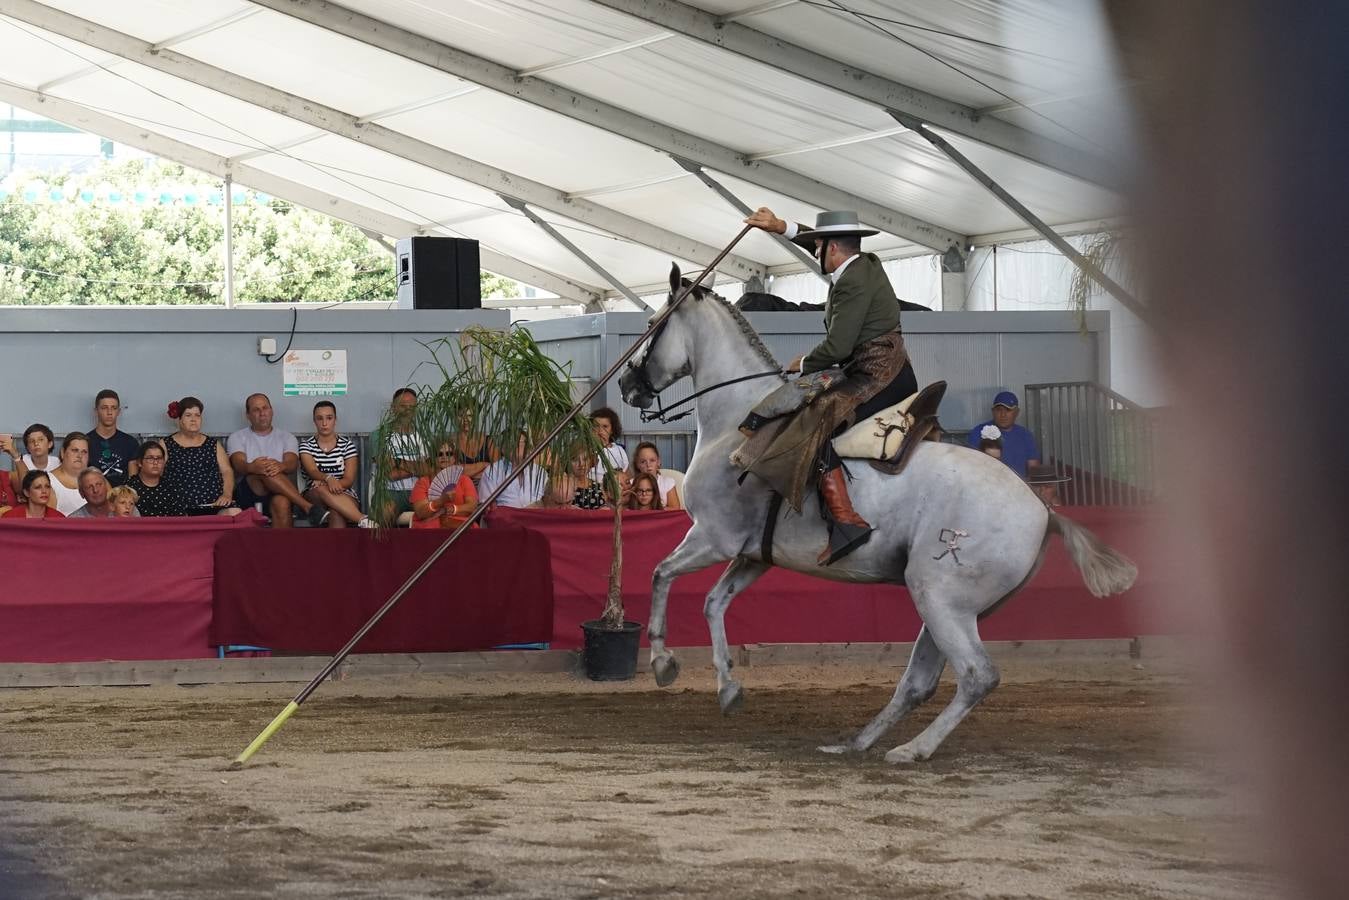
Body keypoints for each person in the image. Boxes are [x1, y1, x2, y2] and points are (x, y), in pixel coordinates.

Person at [742, 208, 919, 565]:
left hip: (877, 375)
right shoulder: (865, 262)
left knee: (814, 426)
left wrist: (804, 364)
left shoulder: (852, 282)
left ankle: (847, 521)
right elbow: (817, 243)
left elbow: (838, 347)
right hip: (878, 367)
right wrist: (782, 227)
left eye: (818, 245)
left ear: (833, 248)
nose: (815, 250)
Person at [227, 393, 326, 528]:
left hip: (279, 492)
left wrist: (281, 466)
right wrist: (253, 467)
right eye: (256, 410)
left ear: (271, 411)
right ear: (248, 415)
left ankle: (281, 548)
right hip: (248, 492)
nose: (262, 413)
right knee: (264, 470)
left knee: (282, 502)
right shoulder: (237, 437)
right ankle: (306, 506)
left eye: (265, 408)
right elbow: (238, 464)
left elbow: (292, 464)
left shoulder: (287, 437)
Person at [298, 400, 373, 528]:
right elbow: (312, 471)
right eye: (319, 418)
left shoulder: (347, 445)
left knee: (336, 512)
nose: (324, 423)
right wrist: (328, 479)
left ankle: (337, 548)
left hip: (344, 493)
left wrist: (329, 483)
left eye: (329, 418)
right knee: (321, 489)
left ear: (335, 420)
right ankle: (363, 520)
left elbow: (349, 480)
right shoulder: (306, 445)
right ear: (314, 421)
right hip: (315, 494)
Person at [160, 397, 239, 516]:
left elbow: (227, 471)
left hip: (214, 505)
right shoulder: (166, 444)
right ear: (179, 419)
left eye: (197, 415)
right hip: (178, 507)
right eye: (188, 415)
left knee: (235, 513)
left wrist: (226, 494)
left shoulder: (213, 444)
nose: (193, 420)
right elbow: (157, 473)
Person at [371, 388, 425, 525]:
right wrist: (416, 467)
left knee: (435, 513)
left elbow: (428, 470)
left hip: (420, 491)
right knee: (385, 513)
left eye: (411, 407)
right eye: (402, 406)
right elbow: (389, 473)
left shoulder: (424, 436)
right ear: (393, 408)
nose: (407, 410)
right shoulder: (379, 435)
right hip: (390, 492)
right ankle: (383, 547)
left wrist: (398, 462)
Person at [966, 391, 1040, 478]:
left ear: (1017, 412)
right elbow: (970, 466)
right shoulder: (979, 432)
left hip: (1017, 487)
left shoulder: (1025, 435)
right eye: (999, 410)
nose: (1003, 415)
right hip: (986, 486)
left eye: (1008, 410)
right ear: (993, 411)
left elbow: (1034, 471)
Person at [409, 442, 478, 530]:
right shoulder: (423, 482)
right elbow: (421, 512)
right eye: (439, 454)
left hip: (459, 524)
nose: (444, 457)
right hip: (431, 526)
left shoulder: (464, 480)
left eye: (449, 454)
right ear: (433, 458)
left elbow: (472, 507)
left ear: (454, 458)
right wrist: (441, 501)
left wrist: (450, 509)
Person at [478, 431, 548, 510]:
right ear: (503, 448)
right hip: (505, 519)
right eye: (512, 442)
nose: (516, 446)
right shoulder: (492, 472)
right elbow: (485, 508)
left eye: (520, 442)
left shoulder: (540, 472)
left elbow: (549, 502)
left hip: (535, 518)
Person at [87, 389, 140, 487]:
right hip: (93, 497)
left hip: (122, 498)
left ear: (118, 411)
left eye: (114, 408)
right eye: (104, 408)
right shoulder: (85, 442)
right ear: (96, 411)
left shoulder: (130, 443)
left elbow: (133, 480)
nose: (109, 412)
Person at [125, 441, 183, 517]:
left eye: (159, 458)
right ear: (139, 462)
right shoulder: (129, 488)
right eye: (150, 458)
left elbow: (180, 518)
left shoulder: (171, 487)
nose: (155, 462)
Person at [47, 432, 90, 516]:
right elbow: (47, 522)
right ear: (63, 452)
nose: (79, 456)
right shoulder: (48, 481)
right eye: (75, 450)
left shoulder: (98, 480)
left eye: (84, 452)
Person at [630, 441, 681, 510]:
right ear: (637, 464)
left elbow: (676, 510)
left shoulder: (668, 482)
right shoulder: (631, 483)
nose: (648, 465)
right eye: (643, 462)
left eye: (652, 460)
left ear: (658, 462)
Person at [587, 407, 630, 488]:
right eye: (596, 426)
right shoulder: (585, 449)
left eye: (605, 426)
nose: (600, 431)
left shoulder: (619, 450)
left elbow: (627, 477)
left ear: (612, 430)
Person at [68, 468, 136, 518]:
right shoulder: (74, 519)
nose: (95, 490)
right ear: (81, 493)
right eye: (89, 487)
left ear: (106, 486)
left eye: (99, 484)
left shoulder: (128, 509)